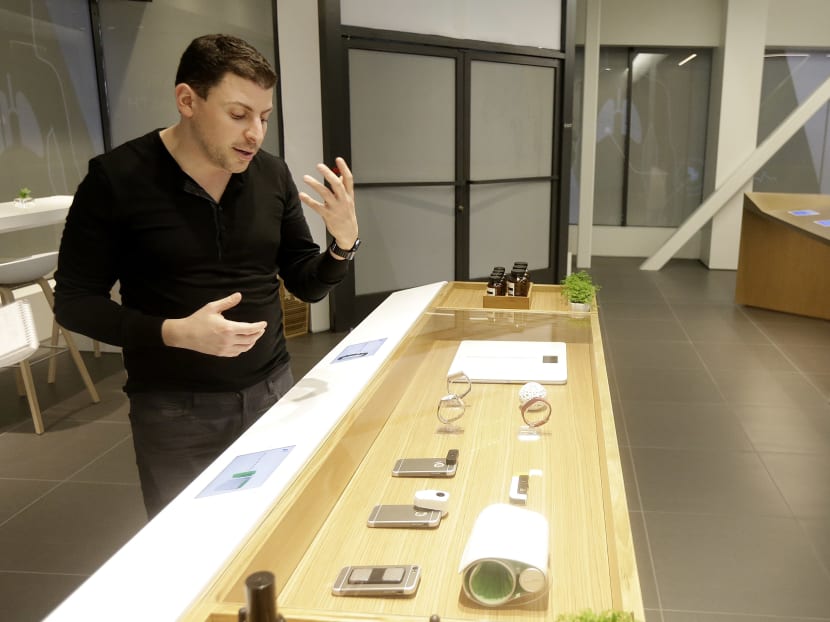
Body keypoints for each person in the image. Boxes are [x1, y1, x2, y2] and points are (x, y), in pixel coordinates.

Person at [54, 34, 359, 518]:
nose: (255, 134)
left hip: (273, 390)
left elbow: (304, 281)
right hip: (174, 408)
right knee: (187, 546)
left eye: (264, 118)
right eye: (238, 115)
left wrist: (342, 246)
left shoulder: (271, 175)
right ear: (187, 100)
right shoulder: (116, 179)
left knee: (275, 528)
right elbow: (73, 301)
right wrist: (174, 332)